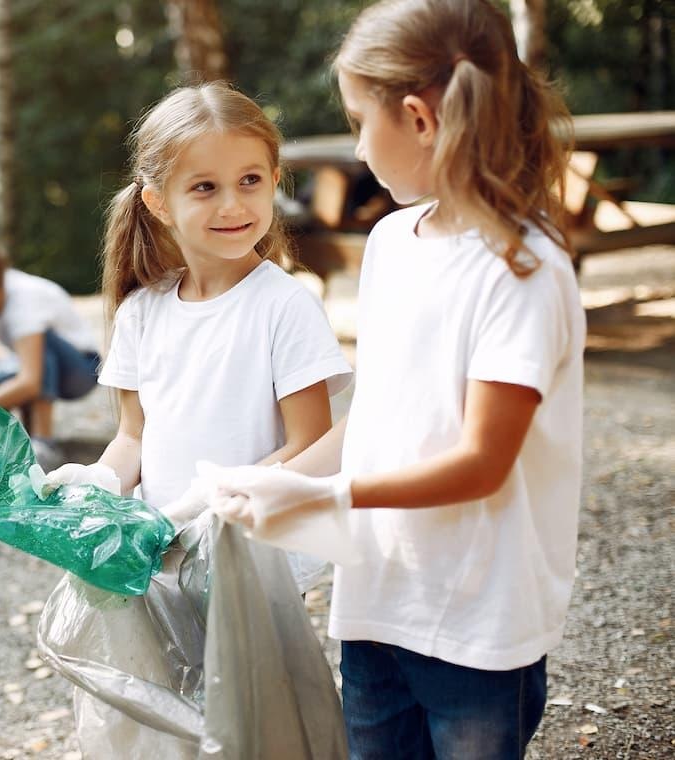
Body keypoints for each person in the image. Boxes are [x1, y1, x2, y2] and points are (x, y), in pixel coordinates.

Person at [205, 2, 586, 758]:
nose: (355, 145)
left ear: (416, 118)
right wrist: (263, 479)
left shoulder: (525, 269)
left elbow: (484, 462)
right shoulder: (389, 242)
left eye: (356, 120)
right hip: (376, 602)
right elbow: (377, 414)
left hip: (481, 625)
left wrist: (324, 496)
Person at [44, 81, 353, 757]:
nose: (234, 205)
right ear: (159, 203)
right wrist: (100, 479)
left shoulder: (283, 306)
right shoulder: (141, 312)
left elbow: (314, 444)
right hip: (159, 558)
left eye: (249, 181)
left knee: (253, 724)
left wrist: (210, 504)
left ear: (276, 181)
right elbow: (134, 436)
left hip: (248, 558)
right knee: (170, 727)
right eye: (205, 187)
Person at [0, 236, 102, 466]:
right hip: (36, 367)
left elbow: (30, 381)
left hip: (80, 370)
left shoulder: (24, 302)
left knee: (40, 346)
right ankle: (12, 438)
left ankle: (44, 441)